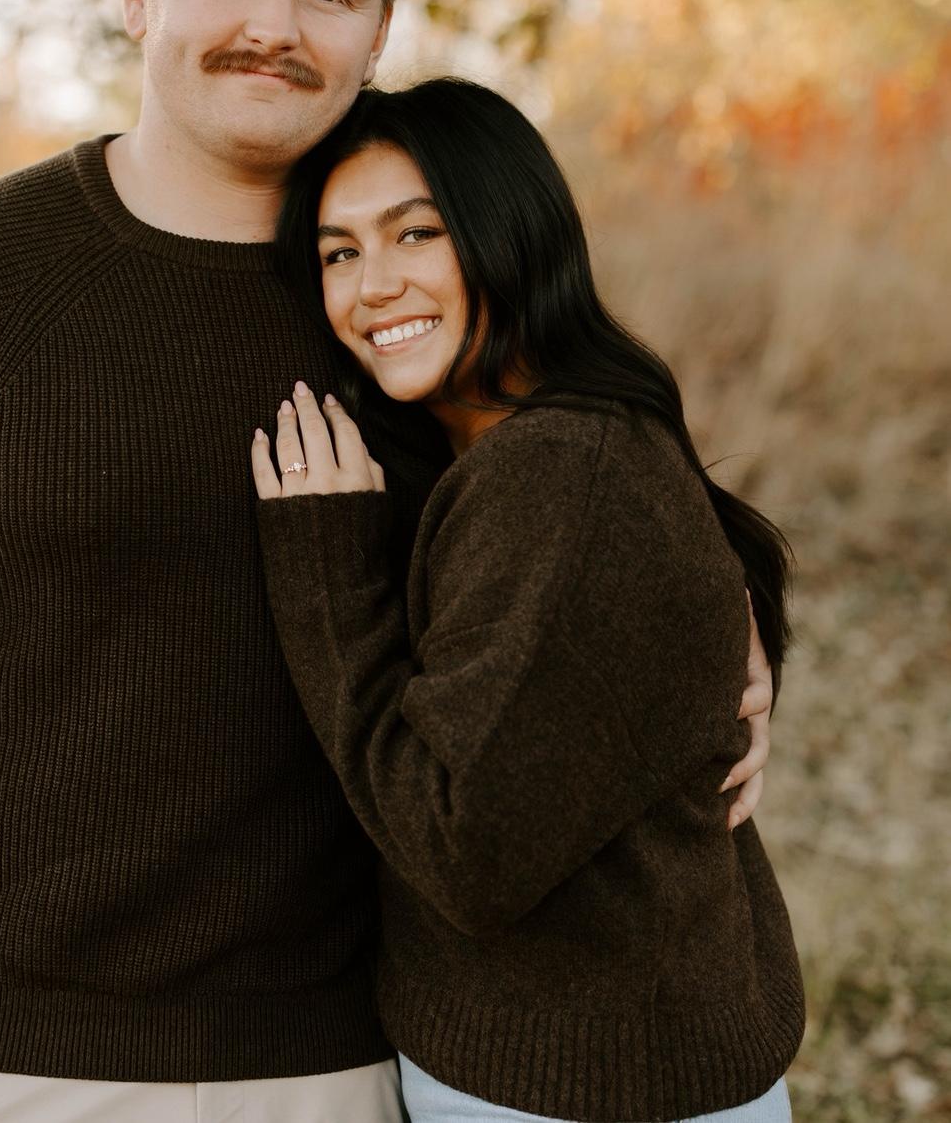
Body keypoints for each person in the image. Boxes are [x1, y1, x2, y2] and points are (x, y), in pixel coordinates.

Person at [0, 0, 772, 1122]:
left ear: (377, 30)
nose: (277, 24)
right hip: (2, 1064)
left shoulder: (411, 315)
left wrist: (726, 645)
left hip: (355, 1058)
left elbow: (588, 519)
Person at [250, 77, 805, 1123]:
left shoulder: (556, 474)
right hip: (584, 1063)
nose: (374, 287)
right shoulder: (534, 451)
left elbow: (466, 855)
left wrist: (330, 583)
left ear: (510, 231)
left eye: (417, 234)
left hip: (584, 1089)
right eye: (338, 253)